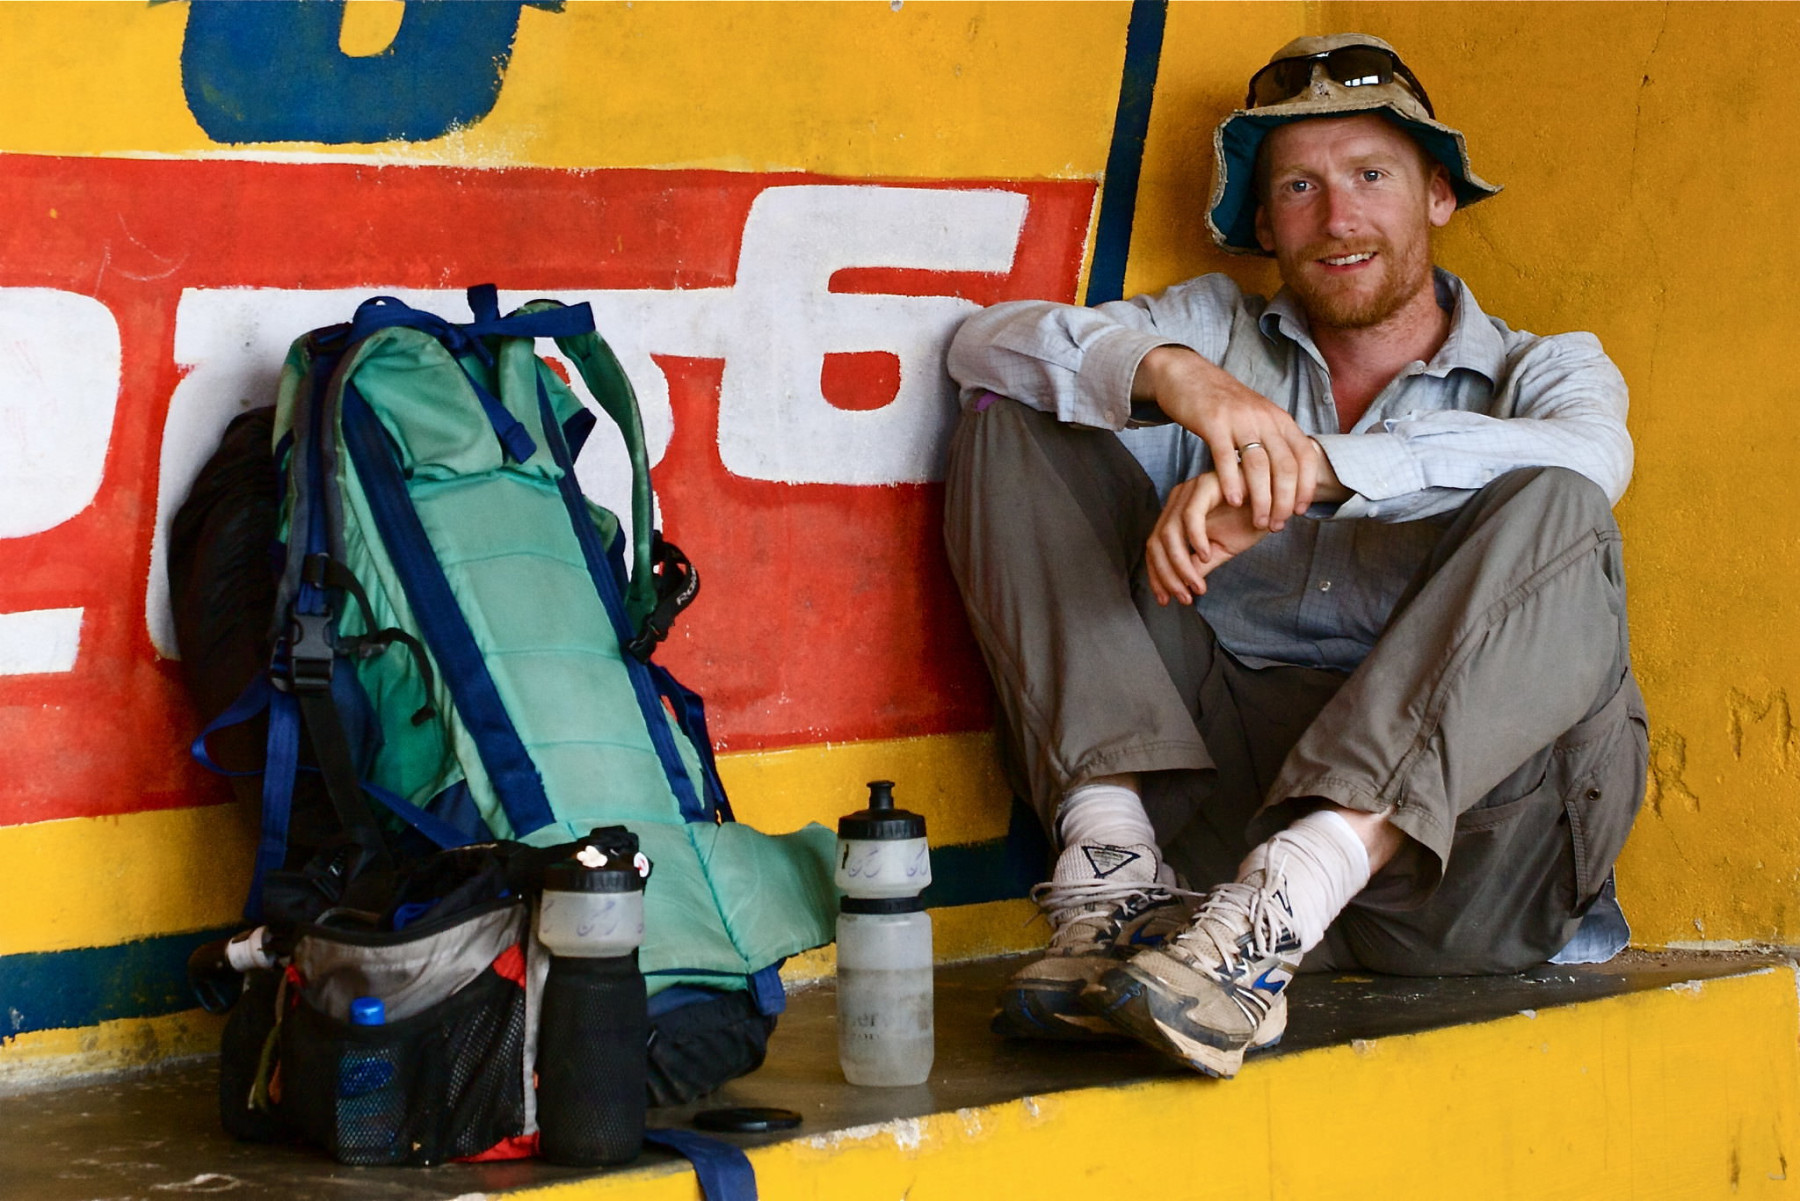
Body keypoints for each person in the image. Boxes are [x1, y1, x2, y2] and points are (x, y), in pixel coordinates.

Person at [942, 33, 1647, 1079]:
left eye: (1371, 176)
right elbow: (979, 347)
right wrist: (1177, 377)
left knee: (1561, 503)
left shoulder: (1544, 370)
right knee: (1009, 417)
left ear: (1438, 196)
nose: (1338, 217)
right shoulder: (1214, 329)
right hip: (1209, 869)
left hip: (1468, 865)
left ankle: (1289, 899)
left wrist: (1315, 469)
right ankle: (1116, 889)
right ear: (1265, 223)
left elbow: (1591, 457)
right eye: (1300, 187)